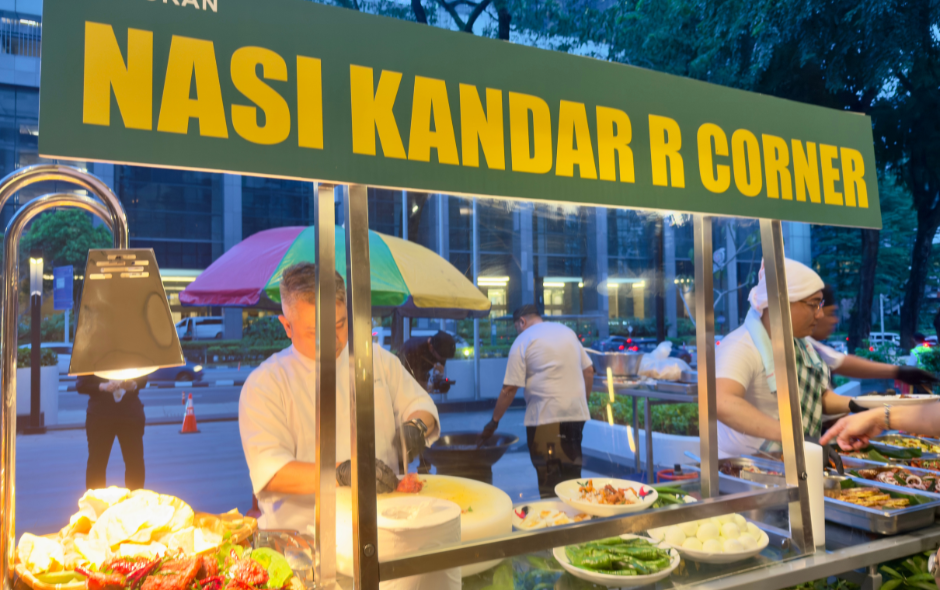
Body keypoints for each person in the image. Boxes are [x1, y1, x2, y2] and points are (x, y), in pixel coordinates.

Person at [239, 262, 441, 531]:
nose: (333, 340)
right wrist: (342, 473)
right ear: (287, 326)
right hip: (303, 537)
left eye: (340, 324)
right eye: (315, 332)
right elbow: (273, 472)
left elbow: (420, 405)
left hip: (387, 523)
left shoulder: (374, 360)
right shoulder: (266, 383)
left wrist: (415, 427)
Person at [716, 259, 855, 457]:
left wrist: (860, 404)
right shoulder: (741, 346)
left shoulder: (800, 344)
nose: (820, 315)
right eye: (814, 305)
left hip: (793, 461)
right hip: (749, 470)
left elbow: (817, 396)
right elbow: (722, 402)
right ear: (781, 303)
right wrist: (796, 438)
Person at [479, 304, 595, 498]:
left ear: (521, 322)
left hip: (544, 419)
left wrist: (494, 421)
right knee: (573, 476)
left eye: (516, 326)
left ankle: (553, 525)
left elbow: (509, 389)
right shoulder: (567, 332)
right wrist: (583, 401)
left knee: (549, 478)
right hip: (576, 415)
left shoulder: (523, 339)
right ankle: (579, 521)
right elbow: (589, 371)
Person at [808, 284, 938, 390]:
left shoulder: (811, 347)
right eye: (831, 313)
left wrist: (899, 372)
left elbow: (841, 362)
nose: (836, 320)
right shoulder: (803, 346)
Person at [76, 375, 148, 490]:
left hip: (130, 415)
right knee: (97, 464)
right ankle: (96, 504)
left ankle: (135, 501)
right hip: (100, 415)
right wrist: (103, 386)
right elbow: (81, 385)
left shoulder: (132, 357)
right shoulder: (91, 357)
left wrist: (134, 384)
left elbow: (143, 378)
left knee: (135, 463)